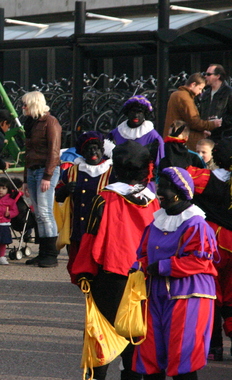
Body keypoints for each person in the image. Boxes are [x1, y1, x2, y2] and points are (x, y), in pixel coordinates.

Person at [72, 140, 159, 380]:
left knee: (100, 337)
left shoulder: (103, 199)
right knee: (134, 341)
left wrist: (82, 273)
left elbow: (89, 239)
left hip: (110, 276)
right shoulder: (155, 201)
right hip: (144, 278)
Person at [132, 167, 217, 380]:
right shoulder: (156, 222)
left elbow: (200, 260)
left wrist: (163, 267)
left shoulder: (196, 224)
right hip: (154, 294)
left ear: (178, 191)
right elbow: (144, 253)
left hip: (188, 295)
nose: (159, 191)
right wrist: (138, 268)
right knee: (150, 351)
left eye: (164, 187)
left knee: (182, 356)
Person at [188, 137, 232, 362]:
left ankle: (215, 346)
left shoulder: (207, 178)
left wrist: (175, 143)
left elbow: (180, 177)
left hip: (213, 243)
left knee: (212, 294)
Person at [55, 131, 112, 283]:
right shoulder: (71, 172)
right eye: (89, 149)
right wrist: (65, 190)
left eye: (96, 148)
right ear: (82, 152)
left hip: (102, 228)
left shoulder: (112, 172)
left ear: (102, 150)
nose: (93, 152)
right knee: (78, 264)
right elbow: (58, 197)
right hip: (78, 227)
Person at [21, 91, 61, 268]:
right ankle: (43, 253)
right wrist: (24, 179)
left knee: (45, 212)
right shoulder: (31, 123)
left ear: (34, 104)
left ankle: (51, 254)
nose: (23, 108)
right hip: (32, 169)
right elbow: (28, 153)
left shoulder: (50, 122)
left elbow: (54, 150)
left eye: (25, 104)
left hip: (45, 171)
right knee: (38, 213)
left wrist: (47, 176)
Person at [163, 73, 221, 150]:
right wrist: (213, 124)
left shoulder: (176, 94)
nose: (200, 92)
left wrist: (201, 132)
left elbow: (185, 121)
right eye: (200, 88)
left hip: (174, 138)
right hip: (182, 142)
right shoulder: (185, 98)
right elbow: (194, 122)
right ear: (193, 84)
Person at [108, 95, 165, 167]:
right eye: (133, 111)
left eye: (139, 112)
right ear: (127, 112)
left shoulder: (153, 136)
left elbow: (159, 163)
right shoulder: (116, 133)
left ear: (145, 114)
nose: (136, 115)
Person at [199, 64, 232, 141]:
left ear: (218, 76)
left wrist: (220, 122)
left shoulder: (228, 92)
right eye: (205, 74)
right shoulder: (206, 93)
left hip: (223, 137)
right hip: (206, 136)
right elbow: (201, 113)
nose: (205, 76)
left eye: (209, 74)